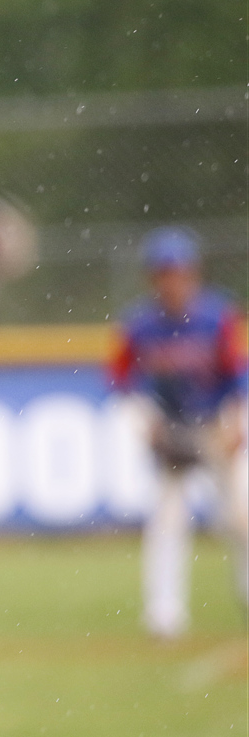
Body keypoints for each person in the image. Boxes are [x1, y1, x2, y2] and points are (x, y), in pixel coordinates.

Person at [108, 226, 248, 640]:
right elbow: (120, 380)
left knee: (240, 516)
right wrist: (144, 422)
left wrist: (236, 423)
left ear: (193, 273)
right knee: (168, 518)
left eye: (179, 271)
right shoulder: (139, 324)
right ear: (152, 278)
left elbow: (237, 375)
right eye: (164, 272)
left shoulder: (216, 316)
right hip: (170, 427)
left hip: (213, 422)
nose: (172, 281)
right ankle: (164, 614)